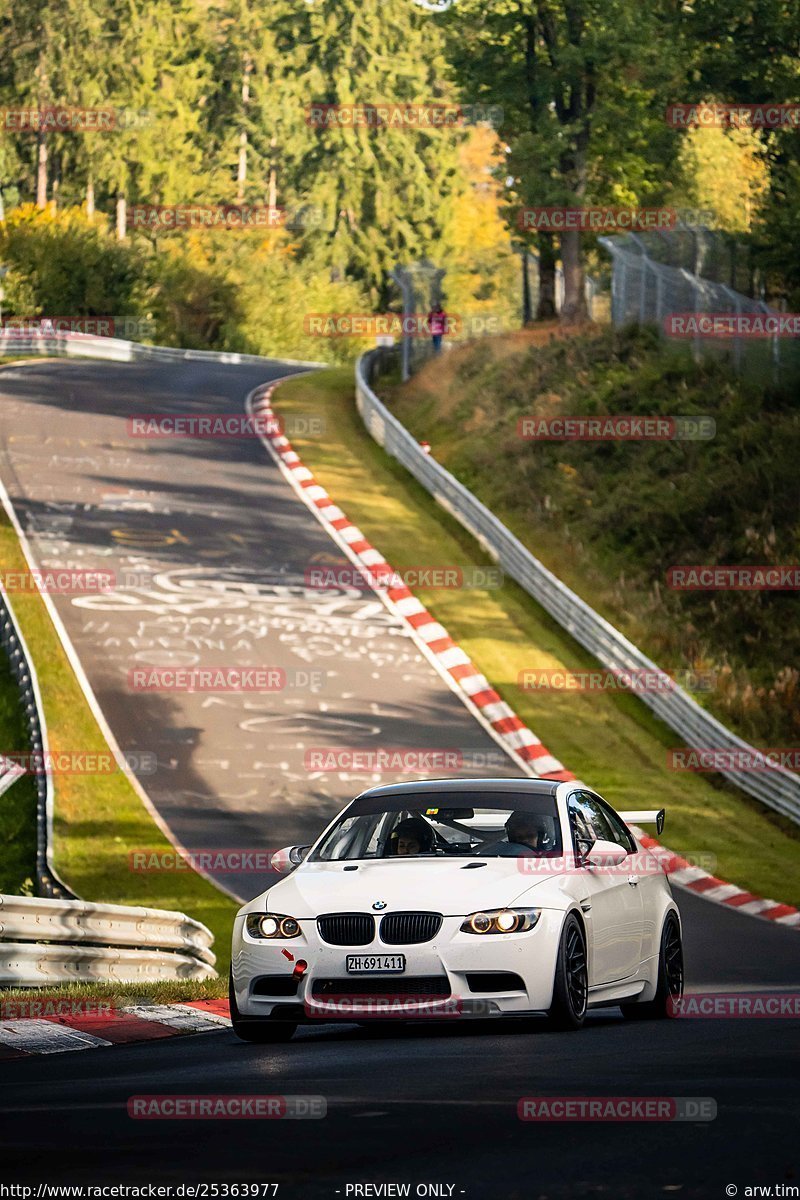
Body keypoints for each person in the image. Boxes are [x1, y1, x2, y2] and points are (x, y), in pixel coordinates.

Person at [481, 811, 553, 857]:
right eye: (519, 837)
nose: (525, 840)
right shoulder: (495, 852)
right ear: (512, 837)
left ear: (540, 836)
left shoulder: (550, 861)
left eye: (530, 836)